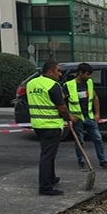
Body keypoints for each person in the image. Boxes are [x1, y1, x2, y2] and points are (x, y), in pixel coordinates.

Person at [27, 61, 75, 196]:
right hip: (51, 125)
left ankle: (51, 177)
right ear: (50, 72)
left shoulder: (32, 83)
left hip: (37, 124)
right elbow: (62, 107)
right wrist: (68, 117)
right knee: (47, 156)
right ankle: (45, 186)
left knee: (49, 154)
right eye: (58, 71)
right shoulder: (54, 86)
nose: (60, 74)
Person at [64, 62, 107, 171]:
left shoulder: (89, 83)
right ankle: (81, 162)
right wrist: (69, 116)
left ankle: (102, 161)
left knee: (98, 138)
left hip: (89, 117)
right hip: (77, 119)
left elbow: (95, 98)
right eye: (87, 74)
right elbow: (62, 102)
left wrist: (97, 114)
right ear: (80, 73)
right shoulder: (69, 85)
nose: (89, 76)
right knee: (80, 141)